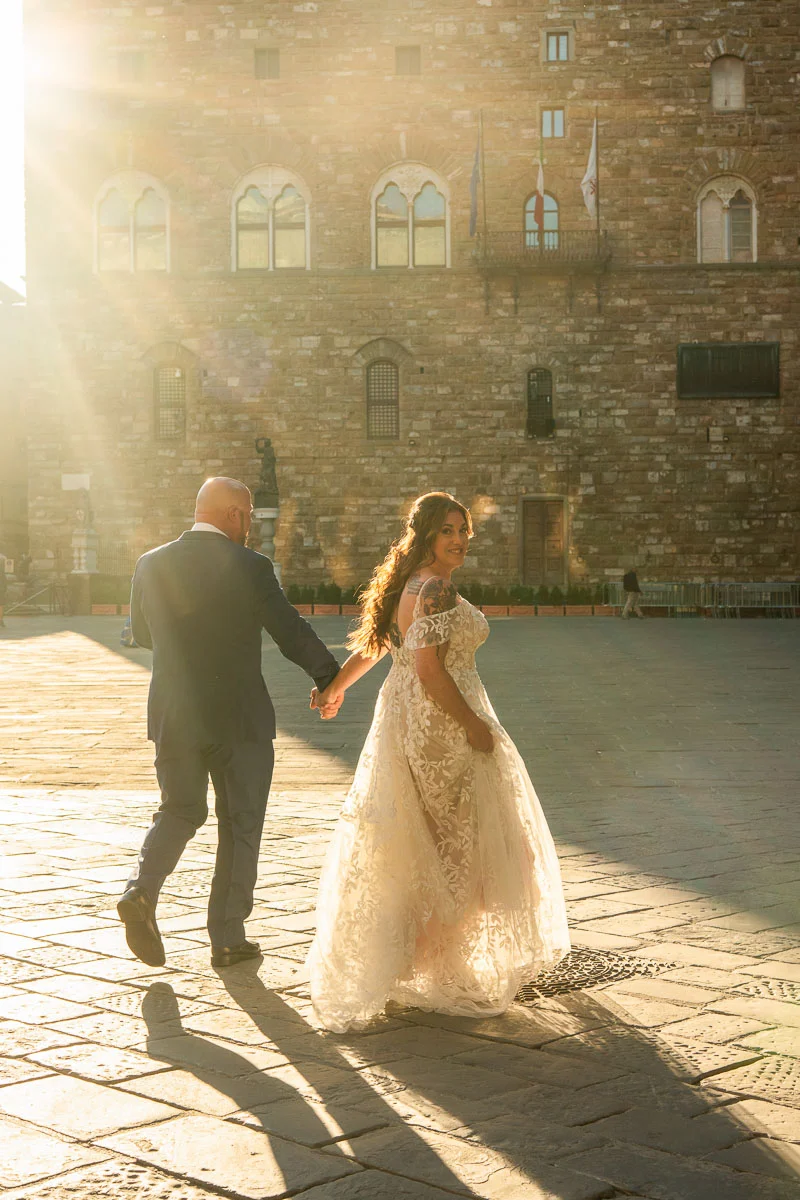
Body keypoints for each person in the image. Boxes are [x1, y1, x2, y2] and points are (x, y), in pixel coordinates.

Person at [306, 491, 570, 1032]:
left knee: (433, 846)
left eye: (464, 530)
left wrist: (336, 687)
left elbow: (381, 647)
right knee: (461, 848)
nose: (459, 540)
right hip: (439, 724)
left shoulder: (415, 583)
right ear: (426, 535)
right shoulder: (433, 588)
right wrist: (473, 724)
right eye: (448, 530)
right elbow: (427, 670)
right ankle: (427, 963)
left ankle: (419, 959)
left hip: (411, 718)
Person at [117, 477, 340, 970]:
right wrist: (329, 677)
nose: (253, 530)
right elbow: (289, 630)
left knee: (178, 811)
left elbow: (142, 633)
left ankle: (140, 891)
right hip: (239, 718)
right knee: (240, 824)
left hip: (174, 714)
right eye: (250, 518)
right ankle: (227, 937)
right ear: (235, 515)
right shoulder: (250, 567)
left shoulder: (150, 564)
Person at [0, 551, 7, 627]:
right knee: (1, 605)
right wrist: (5, 589)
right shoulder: (2, 571)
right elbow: (5, 581)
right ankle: (1, 620)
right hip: (1, 589)